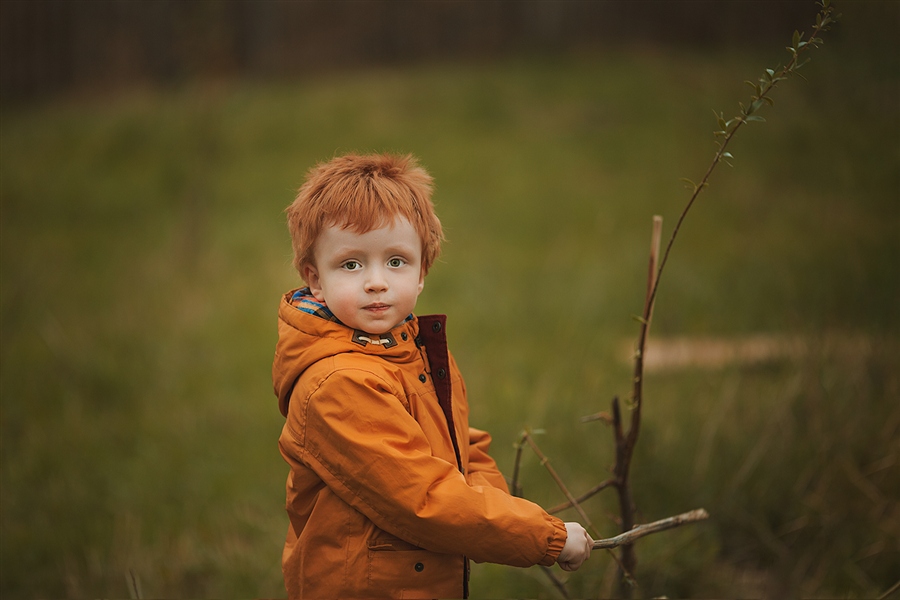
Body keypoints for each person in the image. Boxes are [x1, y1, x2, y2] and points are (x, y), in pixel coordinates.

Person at [273, 152, 592, 598]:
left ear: (422, 272)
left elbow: (460, 446)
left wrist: (502, 513)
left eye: (396, 261)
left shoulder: (407, 350)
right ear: (315, 279)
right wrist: (543, 536)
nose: (376, 282)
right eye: (351, 264)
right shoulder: (338, 383)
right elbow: (422, 498)